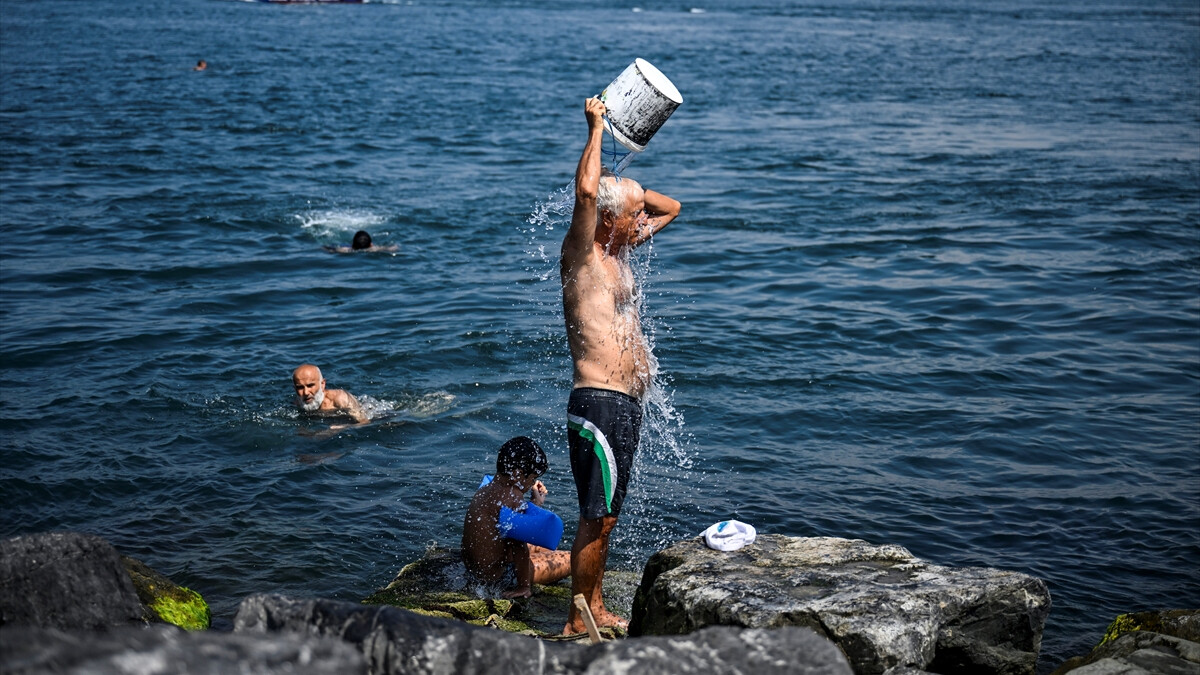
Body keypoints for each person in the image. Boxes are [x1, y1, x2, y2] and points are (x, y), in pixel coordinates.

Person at [559, 97, 681, 633]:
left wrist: (629, 166)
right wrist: (595, 130)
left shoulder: (622, 250)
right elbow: (587, 191)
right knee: (596, 516)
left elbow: (672, 206)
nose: (643, 221)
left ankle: (595, 605)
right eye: (634, 215)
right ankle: (574, 619)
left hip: (624, 402)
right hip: (598, 402)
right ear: (608, 218)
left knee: (607, 517)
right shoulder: (583, 254)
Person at [461, 437, 571, 598]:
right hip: (499, 578)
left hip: (475, 570)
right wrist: (523, 586)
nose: (532, 483)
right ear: (516, 474)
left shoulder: (485, 490)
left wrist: (535, 502)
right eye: (532, 478)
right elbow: (519, 547)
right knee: (572, 557)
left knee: (549, 549)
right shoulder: (512, 500)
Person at [291, 364, 369, 424]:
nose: (306, 392)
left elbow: (364, 422)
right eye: (300, 387)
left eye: (310, 385)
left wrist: (340, 428)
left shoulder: (341, 400)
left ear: (322, 384)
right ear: (294, 388)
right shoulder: (298, 403)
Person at [323, 230, 398, 254]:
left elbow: (324, 248)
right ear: (371, 244)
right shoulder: (375, 249)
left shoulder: (344, 250)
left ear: (352, 245)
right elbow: (395, 248)